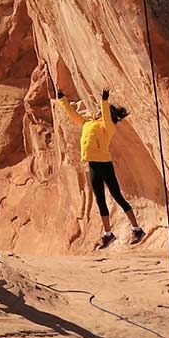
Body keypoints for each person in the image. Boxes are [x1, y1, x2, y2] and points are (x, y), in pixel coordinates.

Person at [55, 87, 145, 248]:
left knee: (117, 196)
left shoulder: (108, 127)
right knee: (100, 199)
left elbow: (104, 114)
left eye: (101, 113)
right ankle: (108, 234)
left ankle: (137, 229)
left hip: (104, 164)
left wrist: (104, 100)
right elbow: (73, 115)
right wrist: (62, 100)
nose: (97, 113)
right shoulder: (88, 123)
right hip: (93, 164)